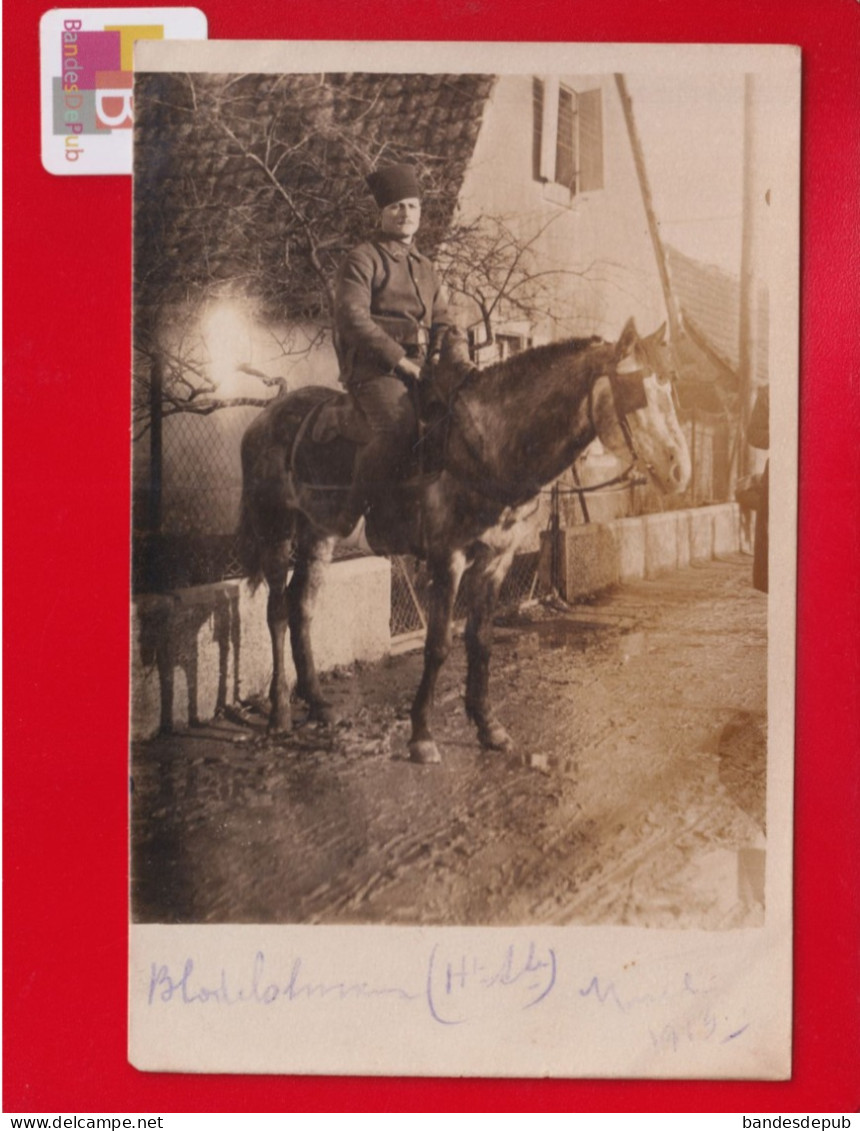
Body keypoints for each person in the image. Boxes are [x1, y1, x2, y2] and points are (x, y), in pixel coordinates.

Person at [335, 164, 451, 527]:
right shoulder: (363, 259)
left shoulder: (427, 267)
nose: (405, 214)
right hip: (375, 370)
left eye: (412, 206)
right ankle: (355, 511)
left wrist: (440, 355)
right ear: (382, 213)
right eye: (396, 207)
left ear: (421, 212)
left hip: (422, 368)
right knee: (398, 429)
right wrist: (401, 361)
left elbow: (445, 321)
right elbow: (353, 319)